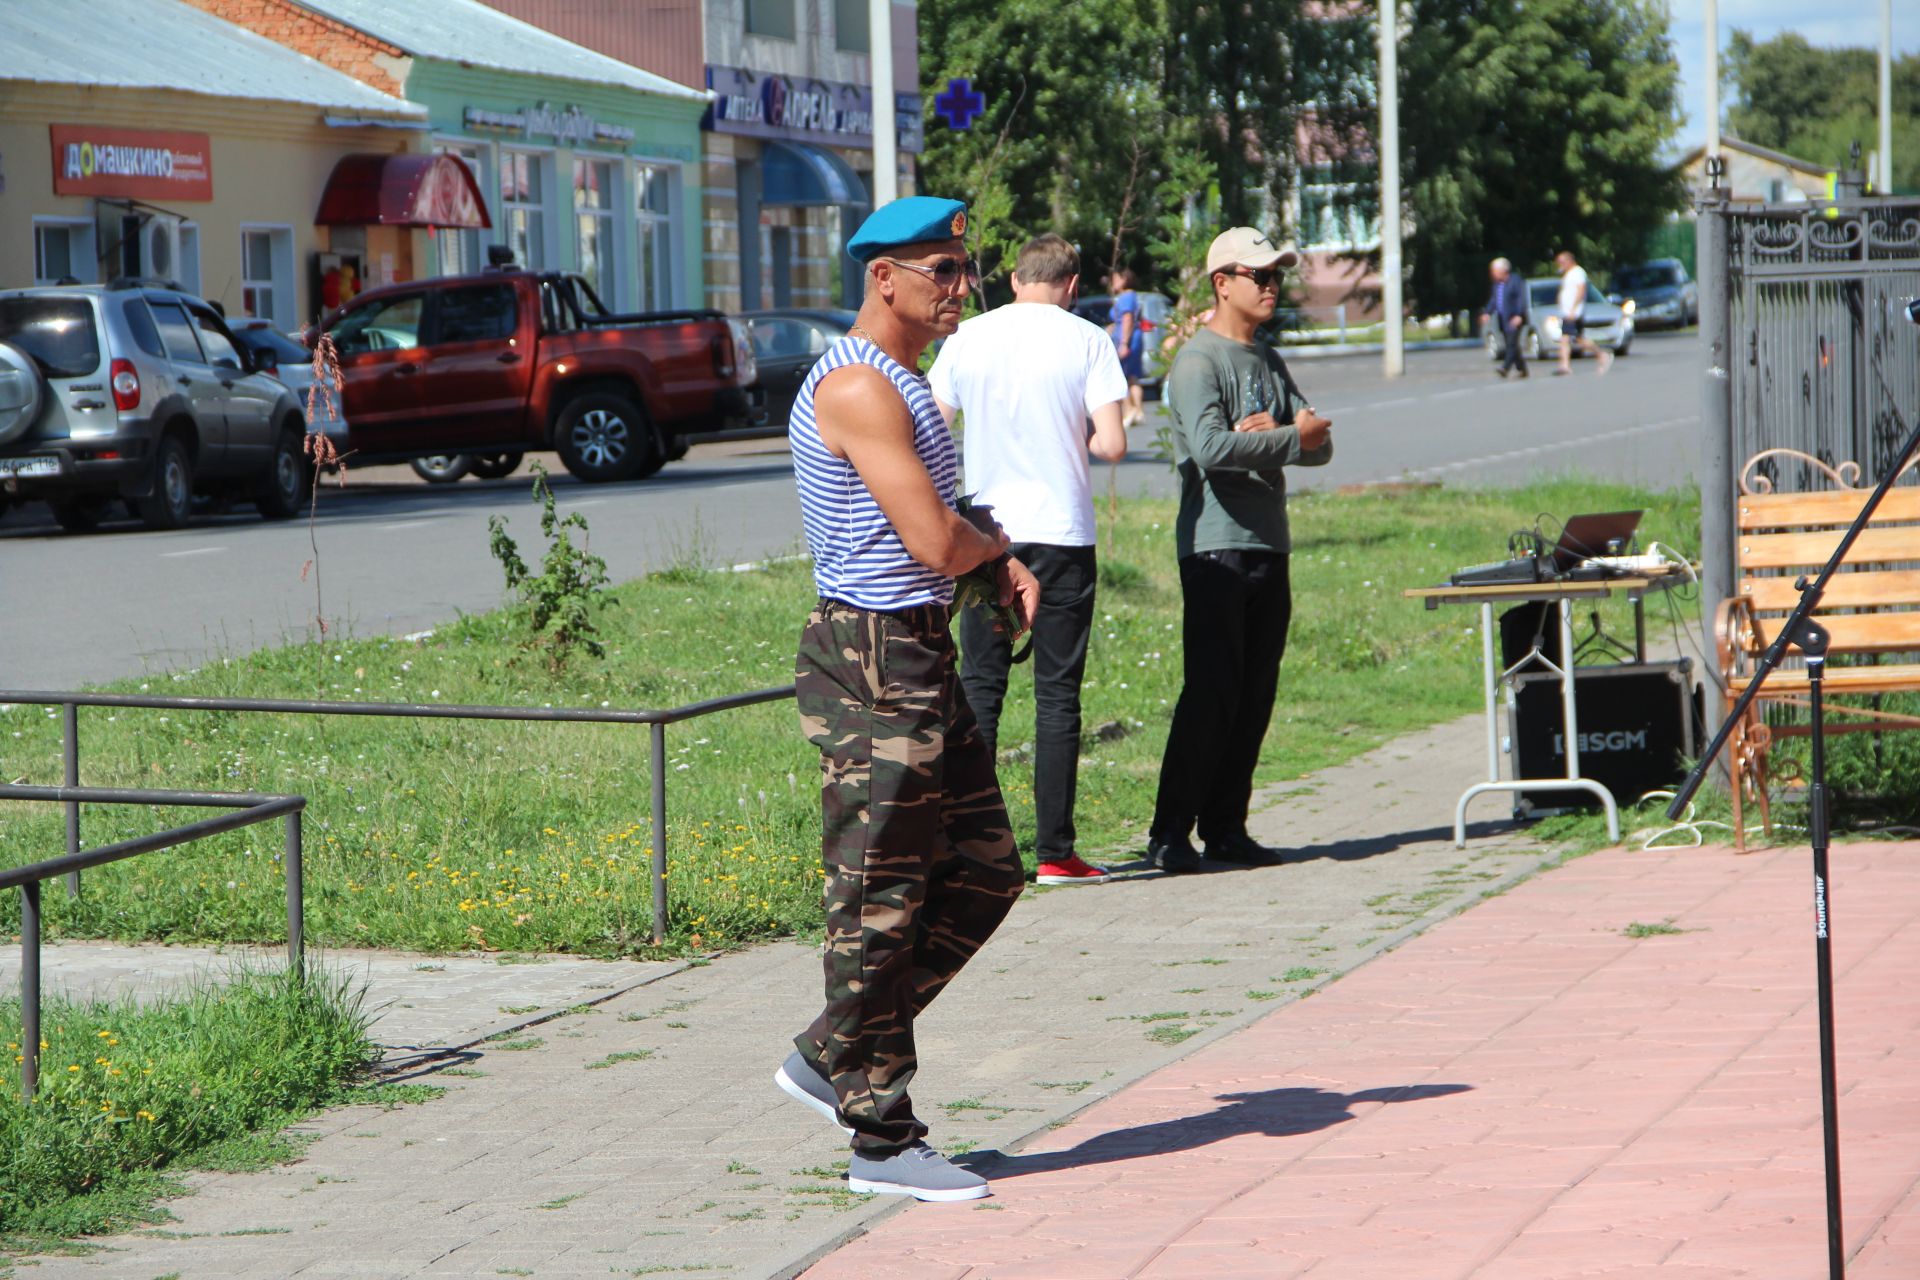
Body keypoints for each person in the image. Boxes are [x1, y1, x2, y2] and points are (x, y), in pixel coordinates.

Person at [771, 196, 1040, 1203]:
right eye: (942, 269)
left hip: (918, 648)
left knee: (984, 869)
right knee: (877, 900)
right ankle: (880, 1138)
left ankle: (830, 1047)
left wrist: (985, 555)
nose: (959, 286)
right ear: (883, 277)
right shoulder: (856, 385)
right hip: (874, 655)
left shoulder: (905, 383)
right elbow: (929, 541)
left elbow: (937, 524)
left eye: (964, 268)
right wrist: (993, 551)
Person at [929, 233, 1130, 887]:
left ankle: (972, 851)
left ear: (1016, 280)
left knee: (982, 689)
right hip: (1063, 536)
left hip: (987, 537)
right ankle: (1054, 852)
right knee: (1057, 696)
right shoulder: (1088, 340)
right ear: (1071, 286)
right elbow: (1113, 445)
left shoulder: (969, 339)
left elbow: (931, 422)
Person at [1144, 227, 1333, 874]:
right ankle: (1171, 832)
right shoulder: (1200, 362)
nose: (1272, 285)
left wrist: (1284, 433)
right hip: (1215, 548)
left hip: (1267, 544)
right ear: (1222, 282)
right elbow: (1210, 448)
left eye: (1277, 273)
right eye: (1259, 275)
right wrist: (1287, 439)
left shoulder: (1269, 360)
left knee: (1255, 693)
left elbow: (1321, 442)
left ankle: (1227, 828)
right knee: (1211, 693)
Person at [1554, 249, 1612, 376]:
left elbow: (1581, 290)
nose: (1560, 265)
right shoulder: (1568, 274)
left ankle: (1599, 355)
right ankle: (1599, 355)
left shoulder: (1578, 272)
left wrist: (1574, 309)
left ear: (1569, 261)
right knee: (1573, 338)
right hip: (1567, 312)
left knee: (1571, 339)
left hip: (1573, 312)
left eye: (1562, 262)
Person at [1107, 268, 1148, 427]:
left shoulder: (1125, 297)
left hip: (1127, 339)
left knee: (1119, 375)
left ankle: (1128, 410)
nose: (1113, 283)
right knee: (1133, 376)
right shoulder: (1133, 296)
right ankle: (1138, 411)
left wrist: (1124, 343)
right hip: (1135, 337)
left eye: (1115, 279)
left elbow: (1127, 318)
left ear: (1124, 280)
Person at [1478, 257, 1528, 379]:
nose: (1492, 273)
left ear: (1503, 270)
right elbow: (1494, 300)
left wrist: (1519, 315)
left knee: (1511, 344)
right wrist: (1487, 313)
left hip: (1515, 318)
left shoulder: (1515, 281)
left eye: (1494, 270)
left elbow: (1521, 299)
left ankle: (1505, 368)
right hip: (1503, 319)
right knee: (1511, 345)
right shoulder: (1497, 285)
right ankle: (1522, 369)